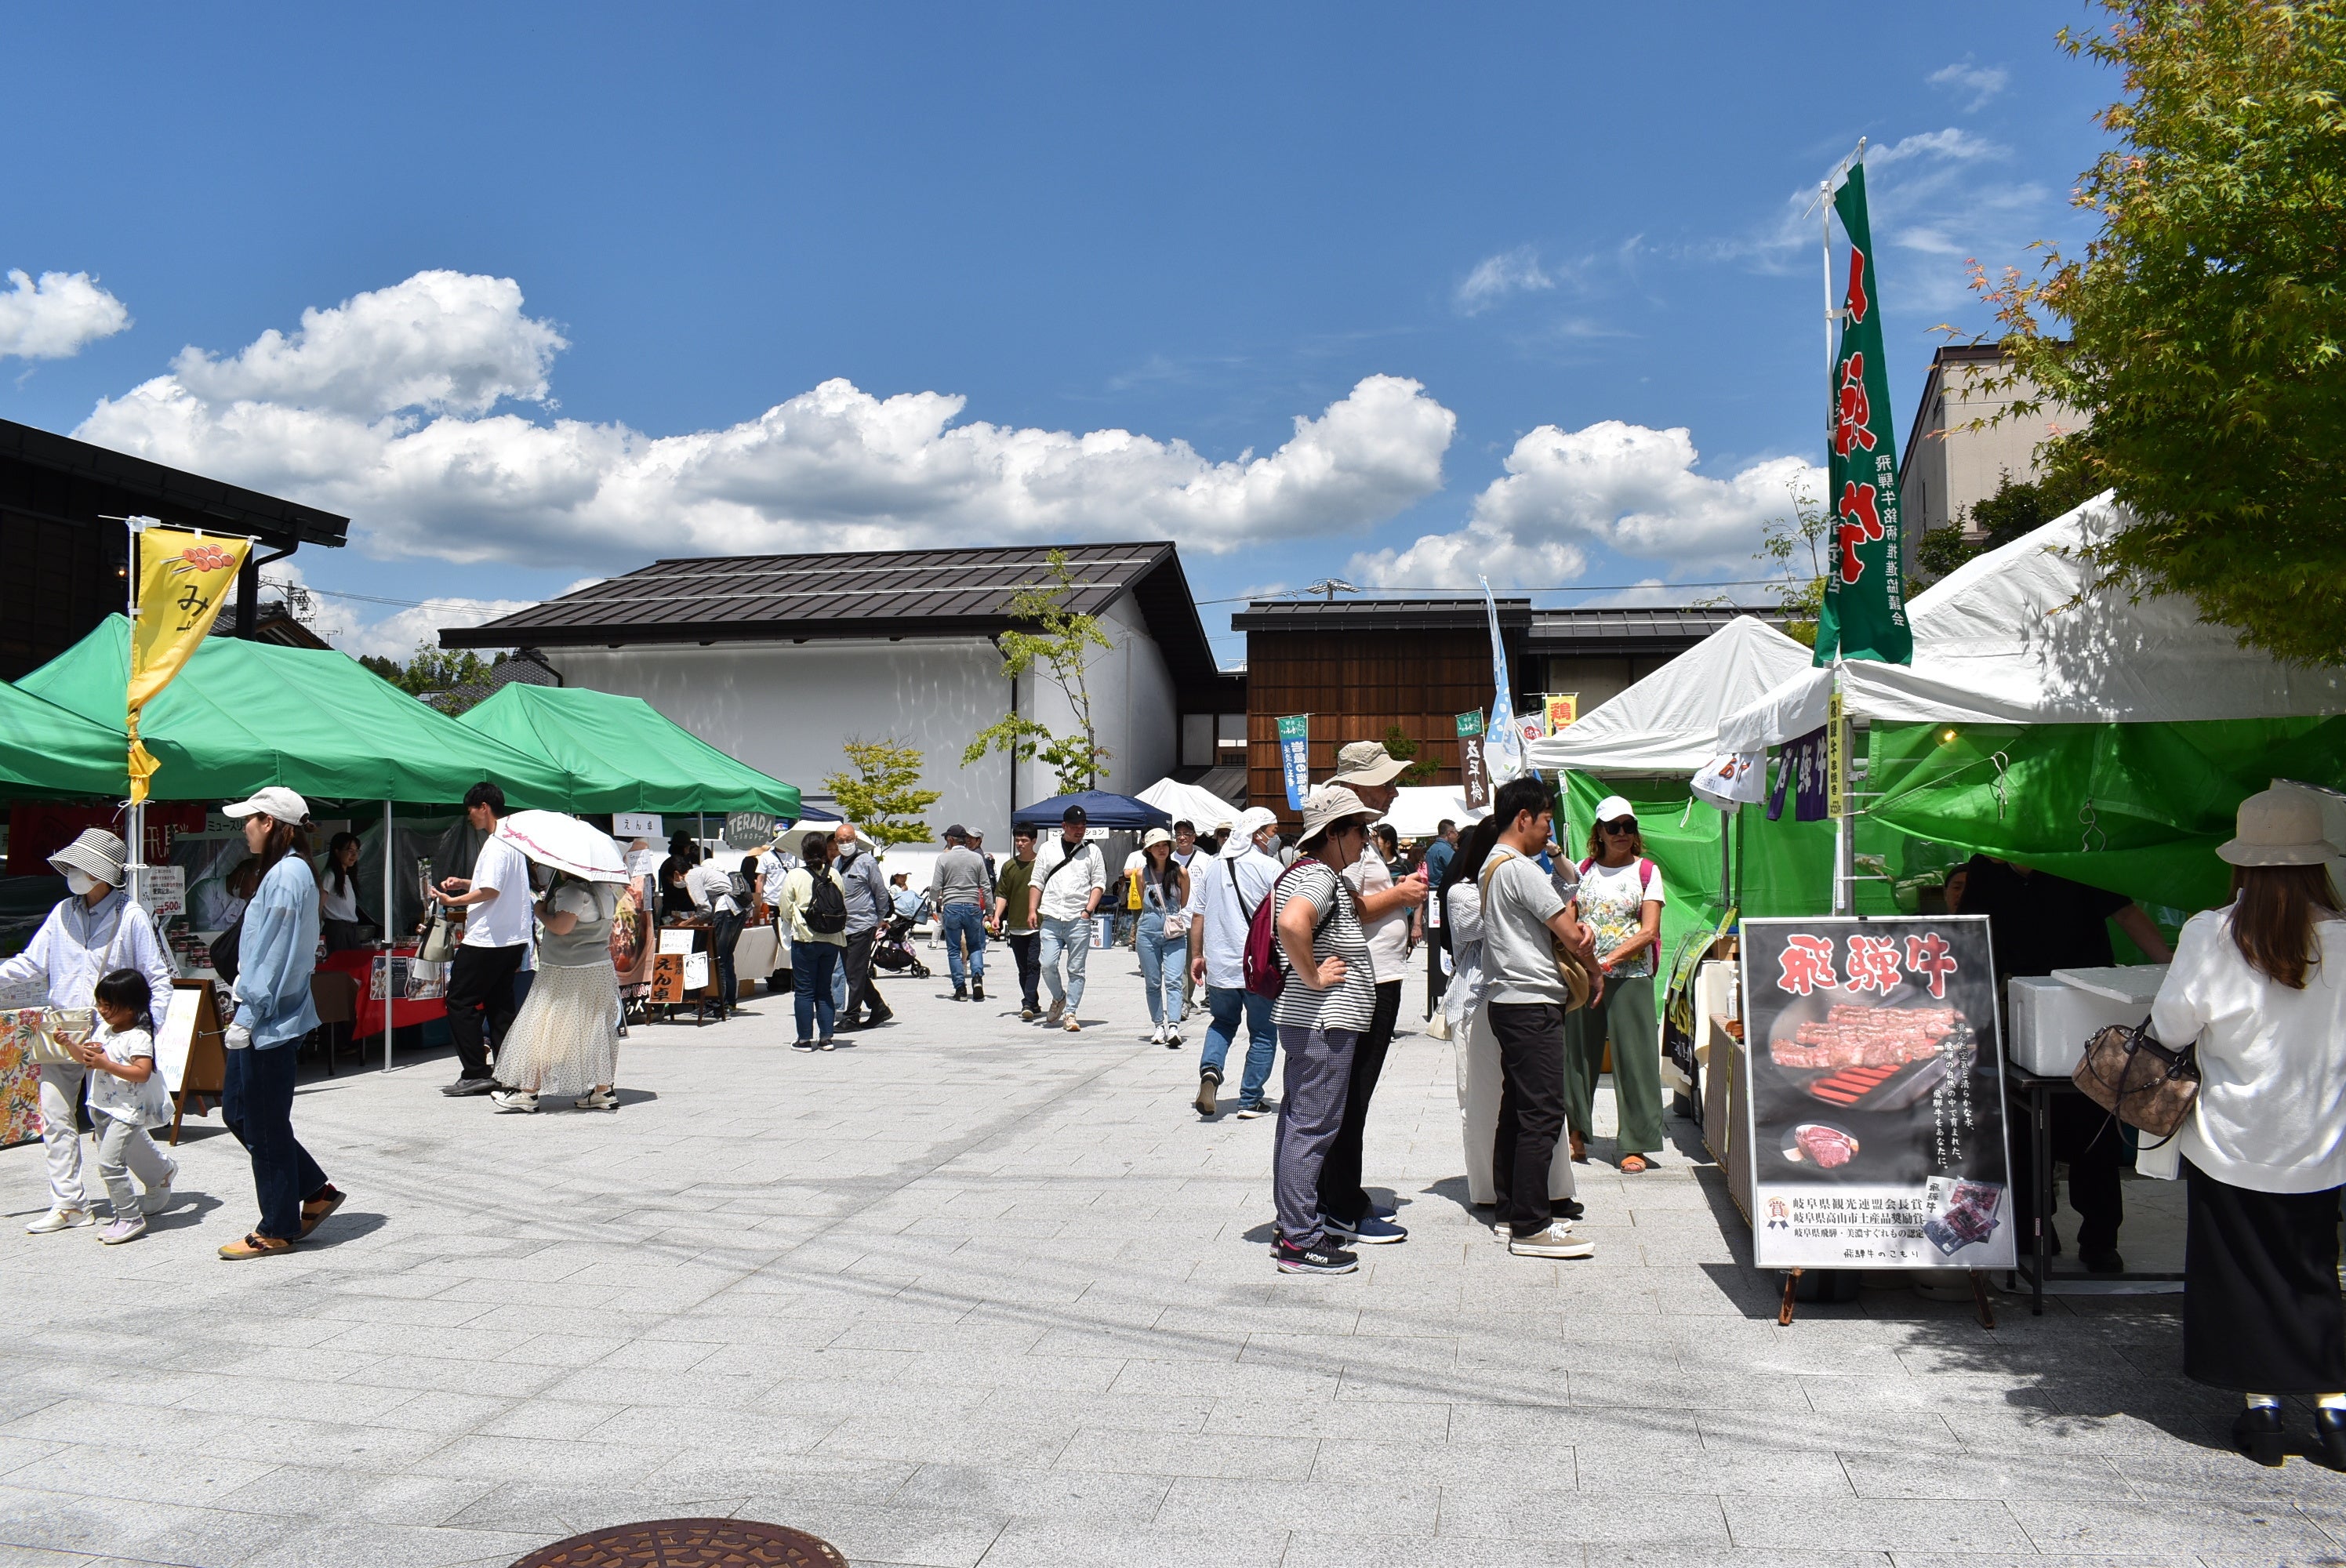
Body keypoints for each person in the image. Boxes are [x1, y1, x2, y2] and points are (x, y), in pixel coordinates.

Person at [2147, 788, 2346, 1467]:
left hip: (2229, 1137)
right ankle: (2334, 1410)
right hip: (2323, 1140)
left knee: (2238, 1273)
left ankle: (2262, 1414)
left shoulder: (2212, 933)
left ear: (2244, 862)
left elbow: (2172, 1027)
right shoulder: (2345, 939)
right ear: (2317, 863)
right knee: (2312, 1269)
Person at [1959, 851, 2176, 1272]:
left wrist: (2171, 971)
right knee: (2024, 1129)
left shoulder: (2074, 857)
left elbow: (2126, 913)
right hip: (2020, 1010)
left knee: (2094, 1130)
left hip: (2090, 1008)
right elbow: (1972, 935)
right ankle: (2032, 1232)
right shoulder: (1986, 868)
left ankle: (2100, 1238)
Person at [0, 829, 178, 1235]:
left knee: (110, 1117)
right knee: (55, 1113)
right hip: (63, 1028)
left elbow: (157, 978)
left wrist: (147, 1029)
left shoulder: (130, 915)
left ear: (101, 872)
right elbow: (30, 964)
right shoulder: (63, 912)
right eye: (73, 866)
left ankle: (159, 1172)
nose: (74, 874)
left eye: (82, 866)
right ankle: (69, 1202)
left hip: (111, 1033)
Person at [217, 787, 343, 1260]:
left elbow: (275, 956)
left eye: (248, 819)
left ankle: (278, 1226)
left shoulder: (288, 875)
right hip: (264, 1015)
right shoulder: (287, 872)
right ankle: (315, 1188)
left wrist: (248, 1013)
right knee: (241, 1111)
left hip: (268, 1018)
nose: (244, 828)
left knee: (265, 1123)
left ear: (269, 822)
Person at [1480, 776, 1600, 1259]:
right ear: (1523, 818)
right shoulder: (1522, 868)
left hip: (1508, 1001)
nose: (1549, 828)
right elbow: (1571, 934)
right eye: (1547, 818)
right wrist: (1588, 943)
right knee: (1544, 1111)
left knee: (1518, 1108)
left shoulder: (1492, 865)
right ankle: (1532, 1225)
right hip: (1531, 1001)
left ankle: (1510, 1210)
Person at [1318, 741, 1429, 1247]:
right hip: (1365, 980)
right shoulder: (1344, 840)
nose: (1394, 791)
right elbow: (1344, 904)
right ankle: (1340, 1205)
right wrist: (1401, 896)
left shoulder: (1356, 840)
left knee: (1352, 1097)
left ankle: (1343, 1197)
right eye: (1385, 781)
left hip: (1377, 976)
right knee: (1351, 1096)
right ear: (1356, 786)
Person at [1268, 786, 1382, 1275]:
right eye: (1359, 830)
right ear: (1333, 833)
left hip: (1309, 1020)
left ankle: (1291, 1224)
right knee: (1312, 1128)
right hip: (1323, 1020)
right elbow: (1294, 923)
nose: (1365, 840)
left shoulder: (1306, 872)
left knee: (1299, 1123)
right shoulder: (1319, 876)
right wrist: (1313, 974)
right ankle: (1299, 1237)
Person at [1445, 815, 1579, 1219]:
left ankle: (1549, 1190)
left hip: (1515, 995)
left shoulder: (1521, 874)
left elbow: (1570, 886)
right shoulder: (1467, 891)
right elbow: (1482, 928)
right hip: (1478, 1000)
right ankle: (1494, 1192)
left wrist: (1552, 854)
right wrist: (1520, 898)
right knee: (1488, 1101)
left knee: (1533, 1102)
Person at [1564, 797, 1669, 1174]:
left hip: (1631, 978)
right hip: (1584, 976)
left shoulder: (1647, 871)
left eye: (1629, 826)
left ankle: (1636, 1142)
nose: (1622, 833)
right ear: (1599, 833)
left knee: (1636, 1060)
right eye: (1614, 827)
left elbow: (1650, 930)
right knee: (1578, 1055)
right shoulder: (1582, 870)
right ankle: (1575, 1133)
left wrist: (1607, 961)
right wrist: (1585, 962)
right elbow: (1569, 919)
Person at [491, 859, 623, 1114]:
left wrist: (540, 910)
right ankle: (603, 1091)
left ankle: (528, 1092)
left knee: (543, 1027)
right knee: (597, 1028)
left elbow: (561, 927)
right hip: (599, 968)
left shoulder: (572, 891)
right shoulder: (605, 889)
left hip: (565, 971)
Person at [433, 783, 535, 1097]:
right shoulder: (514, 842)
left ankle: (476, 1070)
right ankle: (507, 1070)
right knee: (499, 1003)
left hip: (489, 938)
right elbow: (498, 884)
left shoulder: (496, 844)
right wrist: (467, 883)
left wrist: (452, 902)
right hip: (512, 936)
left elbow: (490, 891)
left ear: (483, 807)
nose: (470, 817)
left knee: (459, 1000)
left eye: (471, 810)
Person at [1188, 806, 1282, 1119]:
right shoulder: (1268, 868)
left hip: (1219, 966)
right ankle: (1250, 1099)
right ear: (1257, 834)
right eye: (1272, 830)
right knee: (1264, 1031)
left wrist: (1198, 955)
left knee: (1223, 1023)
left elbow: (1198, 915)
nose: (1275, 836)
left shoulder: (1213, 867)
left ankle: (1211, 1073)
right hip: (1257, 967)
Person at [73, 969, 177, 1243]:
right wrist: (70, 1046)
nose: (102, 1011)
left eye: (109, 1006)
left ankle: (130, 1217)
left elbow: (141, 1072)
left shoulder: (139, 1036)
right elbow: (87, 1058)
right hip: (102, 1108)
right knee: (112, 1161)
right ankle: (129, 1209)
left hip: (125, 1111)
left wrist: (106, 1064)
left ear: (131, 1007)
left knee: (110, 1164)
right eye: (100, 1004)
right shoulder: (104, 1030)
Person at [1030, 804, 1106, 1032]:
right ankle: (1058, 996)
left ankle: (1071, 1013)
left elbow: (1099, 883)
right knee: (1047, 964)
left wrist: (1087, 911)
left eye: (1083, 826)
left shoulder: (1093, 851)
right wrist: (1032, 910)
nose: (1079, 830)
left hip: (1078, 918)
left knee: (1076, 969)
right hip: (1052, 915)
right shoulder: (1047, 849)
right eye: (1074, 826)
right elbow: (1037, 881)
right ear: (1063, 826)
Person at [779, 831, 848, 1050]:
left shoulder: (796, 875)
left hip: (805, 938)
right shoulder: (835, 874)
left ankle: (804, 1039)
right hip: (832, 938)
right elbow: (841, 902)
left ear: (805, 852)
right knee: (824, 989)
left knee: (805, 990)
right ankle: (827, 1038)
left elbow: (785, 909)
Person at [833, 824, 896, 1029]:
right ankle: (879, 1008)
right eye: (840, 841)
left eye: (848, 839)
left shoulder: (867, 862)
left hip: (863, 924)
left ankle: (852, 1016)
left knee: (853, 971)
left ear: (856, 840)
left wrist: (879, 919)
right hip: (843, 926)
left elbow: (880, 892)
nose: (845, 844)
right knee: (855, 972)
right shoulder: (835, 862)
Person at [1132, 827, 1190, 1047]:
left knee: (1174, 979)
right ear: (1148, 850)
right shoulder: (1141, 874)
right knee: (1153, 982)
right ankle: (1158, 1025)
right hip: (1147, 931)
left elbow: (1183, 902)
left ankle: (1173, 1025)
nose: (1162, 849)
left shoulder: (1181, 872)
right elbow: (1143, 900)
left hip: (1174, 931)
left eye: (1165, 844)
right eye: (1156, 845)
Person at [929, 825, 992, 1003]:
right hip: (972, 905)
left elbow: (935, 887)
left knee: (954, 949)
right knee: (974, 946)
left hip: (952, 906)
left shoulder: (943, 859)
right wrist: (990, 909)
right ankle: (977, 978)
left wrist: (935, 899)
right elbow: (986, 886)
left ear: (950, 839)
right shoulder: (977, 858)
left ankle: (960, 988)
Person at [686, 846, 745, 1021]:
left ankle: (717, 1006)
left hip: (726, 910)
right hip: (738, 910)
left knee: (717, 958)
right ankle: (729, 1002)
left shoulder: (692, 876)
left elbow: (704, 909)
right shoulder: (711, 872)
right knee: (726, 957)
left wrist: (686, 923)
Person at [993, 826, 1043, 1020]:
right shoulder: (1009, 866)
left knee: (1033, 964)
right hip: (1015, 925)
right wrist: (997, 916)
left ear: (1034, 841)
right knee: (1023, 967)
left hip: (1038, 924)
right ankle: (1034, 1000)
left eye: (1024, 841)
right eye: (1018, 840)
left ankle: (1028, 1002)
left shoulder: (1041, 865)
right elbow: (1002, 893)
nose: (1020, 844)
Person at [1421, 818, 1461, 1015]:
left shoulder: (1430, 849)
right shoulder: (1446, 850)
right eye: (1454, 832)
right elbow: (1455, 869)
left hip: (1433, 894)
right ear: (1449, 833)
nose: (1456, 835)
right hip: (1445, 895)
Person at [316, 831, 371, 953]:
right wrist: (316, 929)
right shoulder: (329, 875)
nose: (354, 855)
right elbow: (319, 905)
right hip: (336, 929)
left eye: (357, 851)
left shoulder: (347, 877)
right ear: (337, 851)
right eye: (350, 851)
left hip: (351, 929)